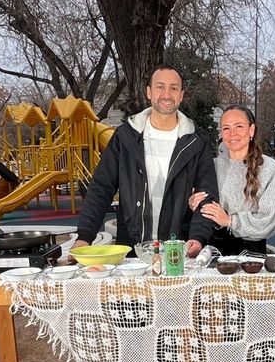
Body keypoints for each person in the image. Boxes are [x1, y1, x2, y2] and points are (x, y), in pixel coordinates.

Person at [74, 65, 218, 257]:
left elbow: (206, 197)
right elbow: (101, 187)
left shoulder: (196, 142)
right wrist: (84, 236)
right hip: (133, 250)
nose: (166, 94)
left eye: (173, 88)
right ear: (149, 92)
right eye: (160, 87)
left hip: (178, 251)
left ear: (181, 95)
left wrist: (198, 237)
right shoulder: (125, 137)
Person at [187, 104, 275, 256]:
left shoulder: (269, 168)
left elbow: (270, 220)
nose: (232, 133)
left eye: (239, 126)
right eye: (226, 128)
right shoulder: (211, 166)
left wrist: (230, 221)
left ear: (251, 130)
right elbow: (201, 214)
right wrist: (196, 206)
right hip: (212, 254)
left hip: (251, 256)